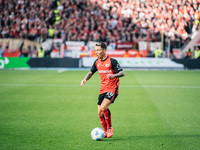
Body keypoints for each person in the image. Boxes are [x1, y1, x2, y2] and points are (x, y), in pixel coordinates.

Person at [81, 43, 125, 138]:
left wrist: (113, 75)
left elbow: (122, 73)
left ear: (104, 50)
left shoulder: (112, 61)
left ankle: (109, 128)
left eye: (98, 50)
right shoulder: (97, 62)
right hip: (103, 89)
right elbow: (90, 73)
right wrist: (85, 79)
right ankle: (105, 132)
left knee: (104, 106)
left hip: (113, 88)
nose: (96, 52)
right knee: (99, 112)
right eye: (95, 50)